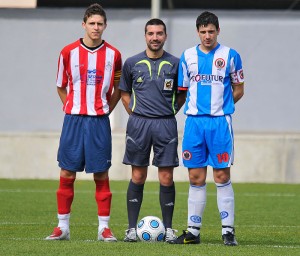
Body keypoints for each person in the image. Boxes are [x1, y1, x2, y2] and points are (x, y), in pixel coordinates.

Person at [45, 3, 122, 242]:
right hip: (74, 121)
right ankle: (62, 227)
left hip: (99, 121)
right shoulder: (68, 52)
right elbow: (60, 86)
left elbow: (118, 88)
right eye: (92, 23)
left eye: (100, 24)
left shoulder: (114, 55)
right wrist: (72, 107)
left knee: (101, 173)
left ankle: (104, 229)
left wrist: (106, 108)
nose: (96, 28)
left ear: (105, 26)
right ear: (83, 25)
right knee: (67, 171)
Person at [171, 11, 244, 246]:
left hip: (219, 123)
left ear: (218, 31)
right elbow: (182, 90)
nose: (207, 36)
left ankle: (228, 231)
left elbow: (239, 89)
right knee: (195, 176)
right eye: (203, 32)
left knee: (221, 175)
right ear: (197, 32)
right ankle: (193, 231)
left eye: (211, 31)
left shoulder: (230, 55)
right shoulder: (187, 56)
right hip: (194, 123)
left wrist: (221, 107)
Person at [119, 18, 186, 243]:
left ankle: (168, 229)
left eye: (159, 33)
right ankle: (130, 229)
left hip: (166, 124)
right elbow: (124, 93)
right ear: (145, 36)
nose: (155, 37)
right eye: (151, 33)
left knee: (166, 177)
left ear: (165, 36)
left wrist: (171, 111)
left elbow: (182, 93)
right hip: (139, 124)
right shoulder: (131, 63)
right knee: (138, 175)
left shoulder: (177, 64)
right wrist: (135, 113)